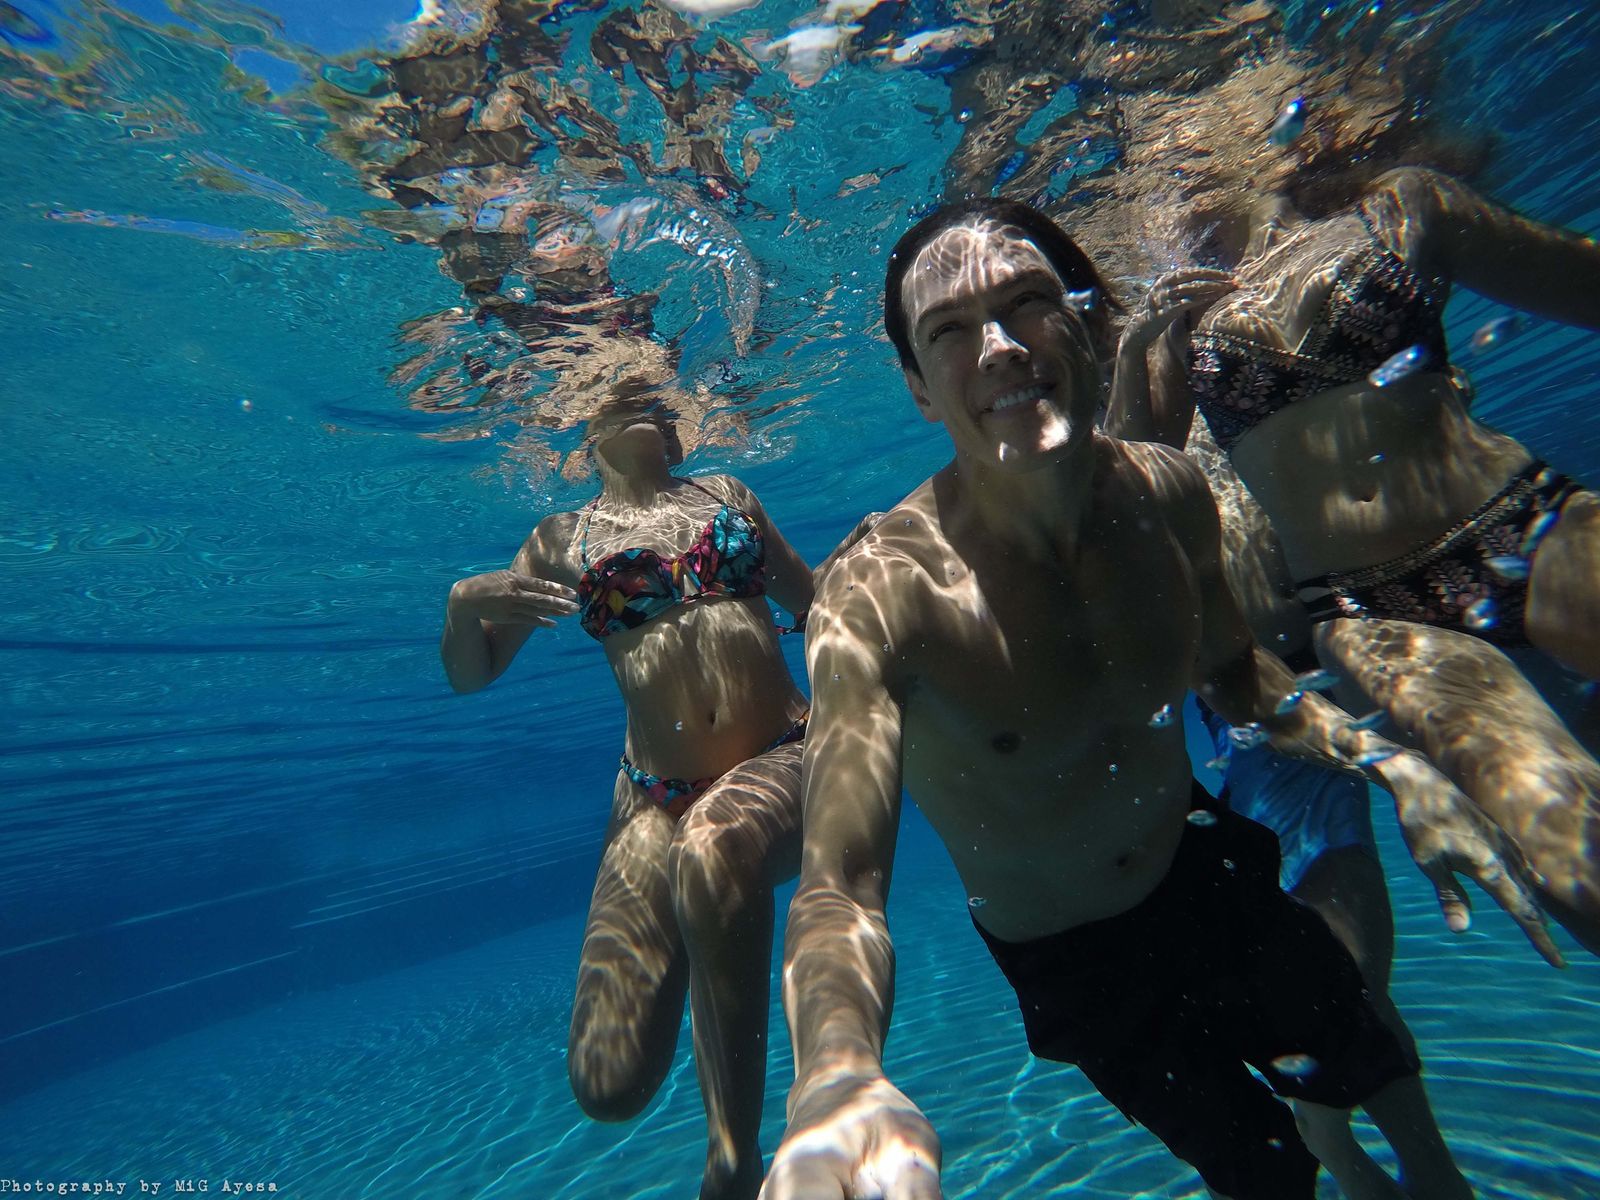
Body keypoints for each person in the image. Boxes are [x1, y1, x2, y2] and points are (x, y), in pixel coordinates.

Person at [760, 200, 1504, 1200]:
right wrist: (836, 1073)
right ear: (919, 389)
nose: (998, 347)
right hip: (1071, 959)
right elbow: (840, 883)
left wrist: (1394, 764)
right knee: (1261, 1177)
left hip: (1197, 866)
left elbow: (1236, 674)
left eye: (1026, 302)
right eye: (949, 331)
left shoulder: (1168, 495)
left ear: (1091, 321)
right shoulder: (880, 594)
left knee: (1372, 1058)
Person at [1107, 168, 1600, 951]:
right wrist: (1139, 345)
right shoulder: (1182, 310)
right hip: (1368, 608)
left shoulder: (1405, 203)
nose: (1174, 155)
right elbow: (1126, 490)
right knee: (1574, 868)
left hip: (1525, 519)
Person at [441, 404, 862, 1200]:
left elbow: (813, 605)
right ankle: (709, 931)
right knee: (608, 1083)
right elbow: (472, 674)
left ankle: (733, 1156)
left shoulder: (725, 494)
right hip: (655, 796)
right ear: (581, 428)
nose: (639, 399)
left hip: (784, 759)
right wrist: (464, 604)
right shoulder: (558, 540)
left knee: (715, 843)